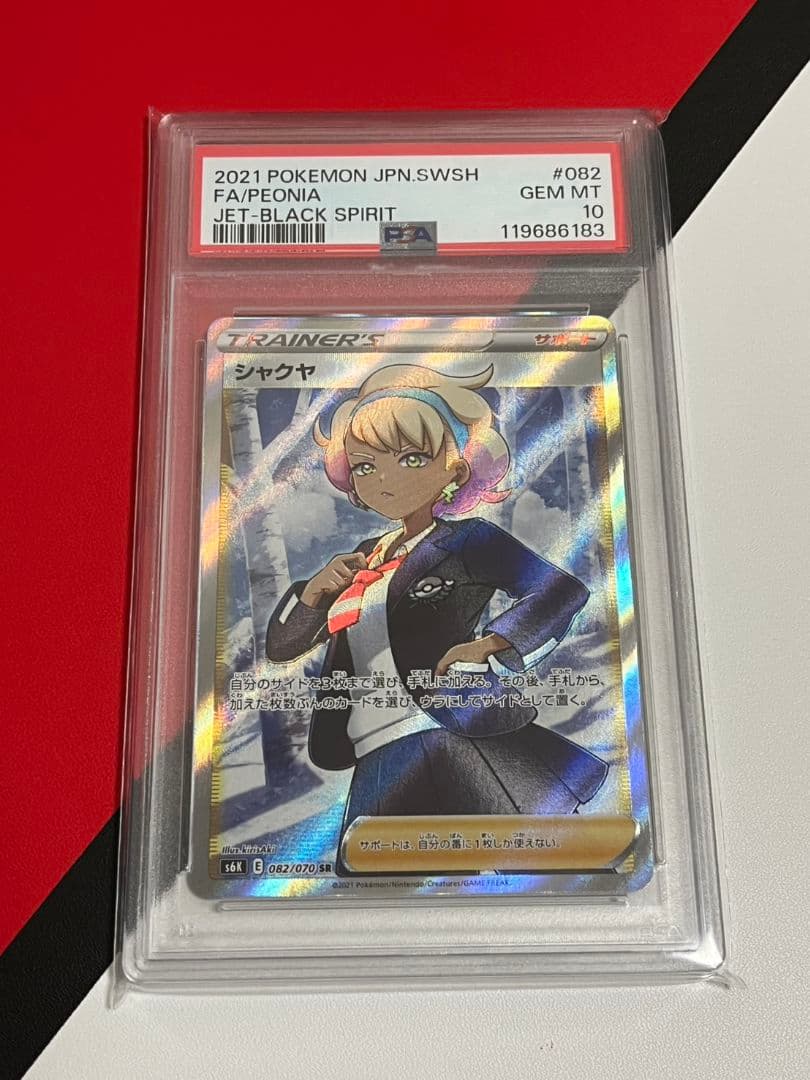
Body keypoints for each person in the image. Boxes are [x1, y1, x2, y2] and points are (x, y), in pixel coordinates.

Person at [266, 363, 607, 866]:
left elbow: (560, 591)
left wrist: (492, 643)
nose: (384, 478)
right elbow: (283, 648)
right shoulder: (360, 559)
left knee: (509, 871)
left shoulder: (467, 539)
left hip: (450, 730)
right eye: (365, 466)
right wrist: (315, 593)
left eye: (411, 458)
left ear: (456, 469)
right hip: (372, 746)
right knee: (376, 882)